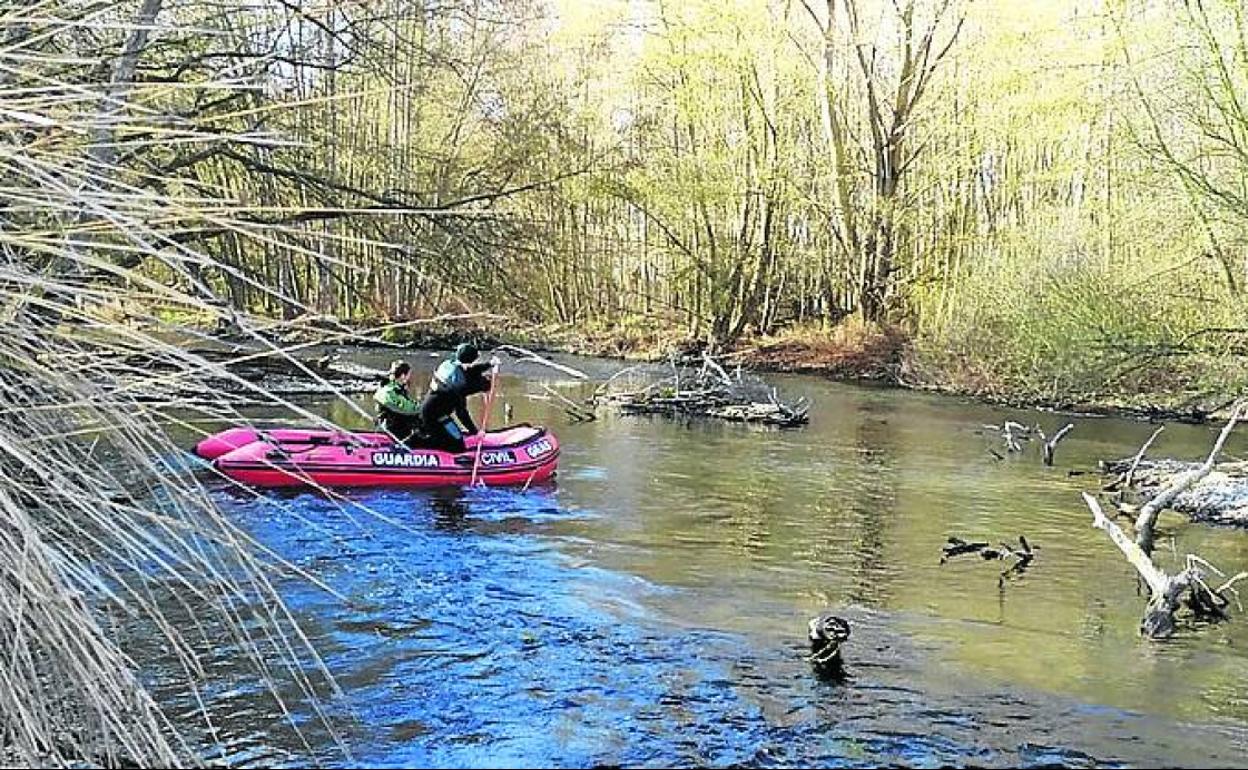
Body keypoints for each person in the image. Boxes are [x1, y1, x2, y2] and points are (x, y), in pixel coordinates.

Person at [419, 343, 497, 453]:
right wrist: (475, 433)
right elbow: (461, 413)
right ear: (469, 362)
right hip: (433, 418)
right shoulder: (458, 385)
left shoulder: (449, 365)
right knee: (457, 446)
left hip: (438, 413)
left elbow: (471, 370)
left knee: (457, 436)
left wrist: (489, 364)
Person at [373, 360, 423, 447]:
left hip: (394, 427)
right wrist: (425, 408)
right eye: (408, 375)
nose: (409, 378)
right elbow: (408, 409)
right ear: (403, 376)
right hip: (393, 431)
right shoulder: (390, 391)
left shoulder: (394, 388)